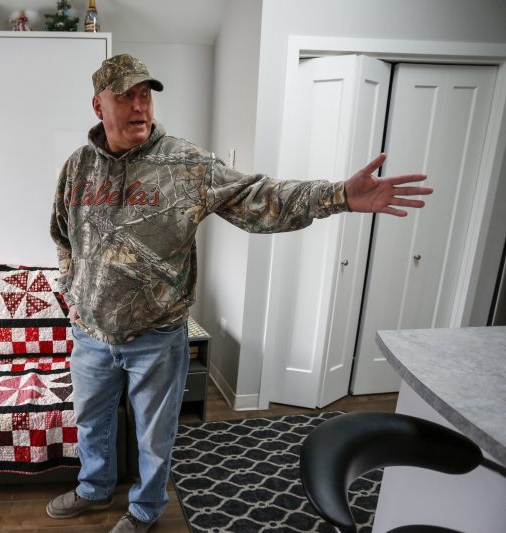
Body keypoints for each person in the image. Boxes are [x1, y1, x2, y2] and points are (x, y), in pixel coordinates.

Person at [47, 54, 432, 533]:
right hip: (90, 334)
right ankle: (94, 488)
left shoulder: (187, 163)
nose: (139, 105)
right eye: (124, 95)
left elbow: (259, 197)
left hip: (156, 336)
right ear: (98, 105)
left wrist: (339, 196)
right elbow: (62, 234)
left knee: (154, 435)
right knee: (91, 422)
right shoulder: (78, 166)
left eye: (145, 94)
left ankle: (144, 510)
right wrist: (73, 289)